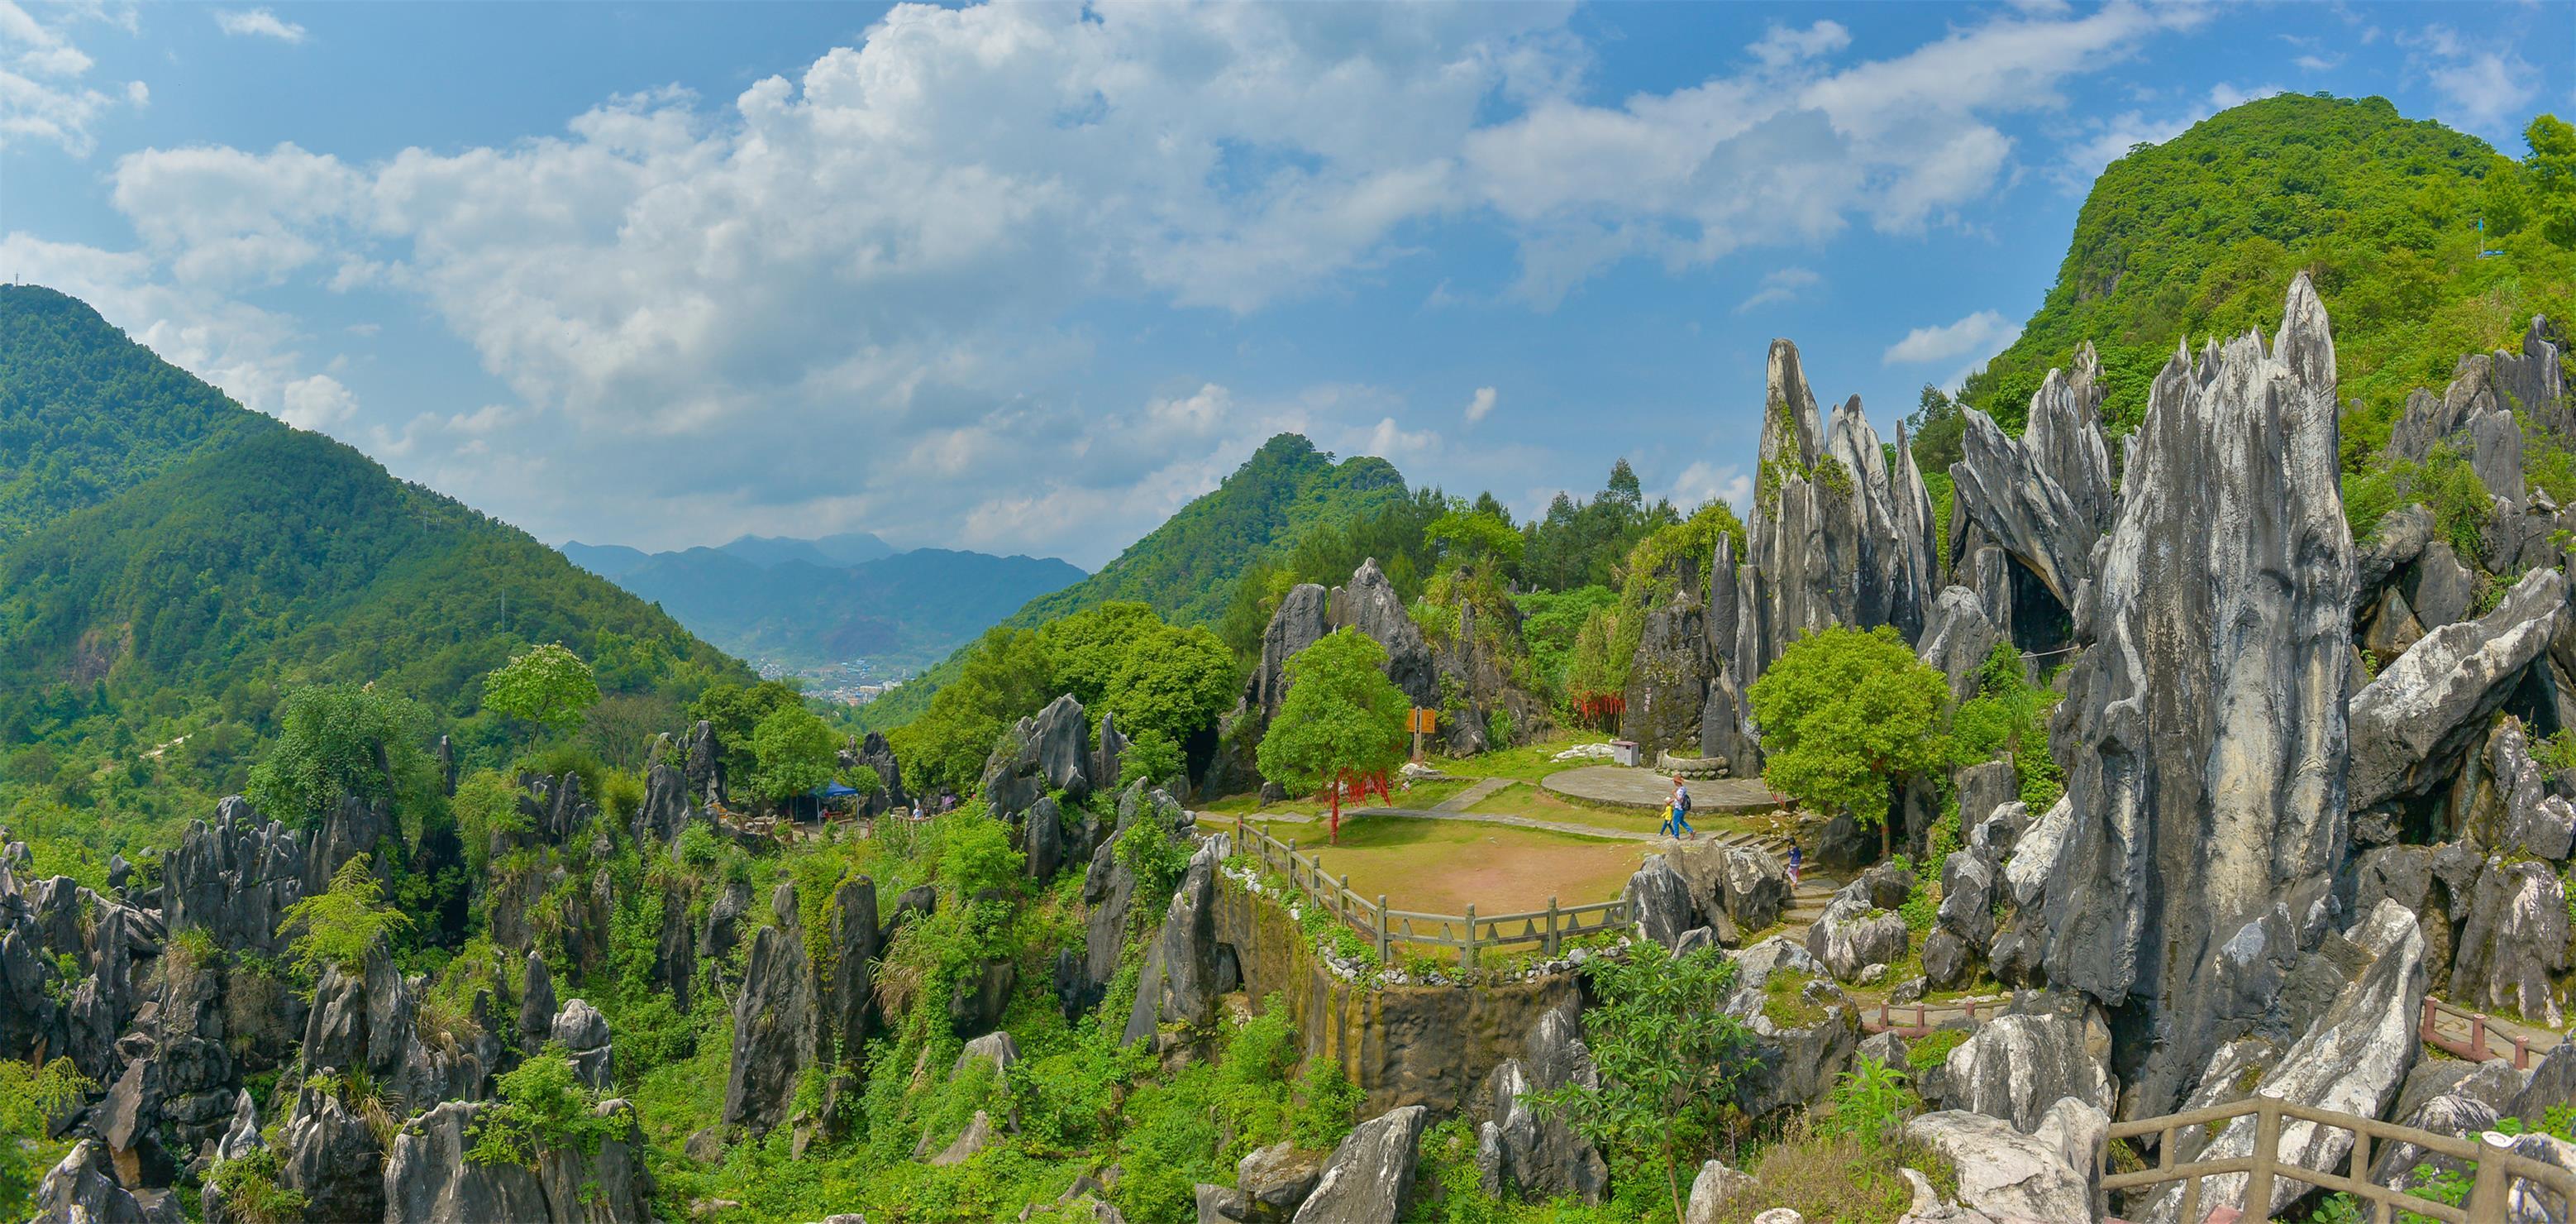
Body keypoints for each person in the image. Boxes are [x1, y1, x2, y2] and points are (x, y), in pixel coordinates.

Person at [1660, 774, 1695, 839]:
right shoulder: (1683, 788)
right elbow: (1678, 798)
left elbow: (1680, 799)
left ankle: (1676, 836)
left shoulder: (1680, 790)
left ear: (1676, 782)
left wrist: (1674, 793)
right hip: (1682, 808)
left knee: (1675, 822)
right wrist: (1672, 800)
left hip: (1679, 808)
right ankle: (1691, 831)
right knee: (1681, 821)